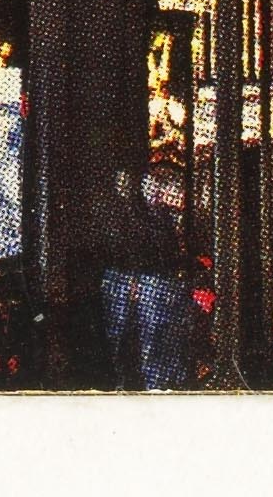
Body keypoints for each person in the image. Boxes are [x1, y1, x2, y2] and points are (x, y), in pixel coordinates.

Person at [99, 166, 189, 389]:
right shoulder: (137, 216)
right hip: (144, 284)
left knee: (153, 342)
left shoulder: (159, 215)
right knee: (147, 341)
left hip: (147, 283)